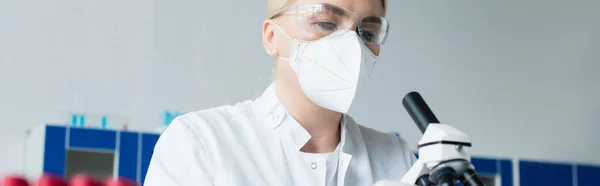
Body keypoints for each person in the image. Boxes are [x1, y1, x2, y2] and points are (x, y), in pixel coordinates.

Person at [144, 0, 416, 185]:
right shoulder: (200, 143)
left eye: (367, 33)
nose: (352, 46)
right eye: (325, 23)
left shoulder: (396, 158)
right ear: (271, 37)